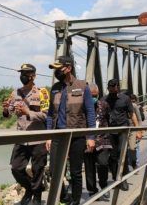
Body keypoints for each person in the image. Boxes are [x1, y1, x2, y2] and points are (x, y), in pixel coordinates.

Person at [46, 56, 96, 205]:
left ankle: (75, 201)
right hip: (57, 135)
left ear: (68, 68)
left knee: (75, 172)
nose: (56, 72)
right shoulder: (55, 88)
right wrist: (48, 135)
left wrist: (90, 136)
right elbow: (50, 114)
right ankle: (63, 197)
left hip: (76, 134)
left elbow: (90, 113)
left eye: (58, 69)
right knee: (54, 171)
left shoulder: (82, 86)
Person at [2, 63, 50, 205]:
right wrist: (5, 109)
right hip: (21, 138)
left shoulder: (42, 92)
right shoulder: (15, 92)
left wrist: (28, 112)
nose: (22, 76)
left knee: (37, 170)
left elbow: (46, 116)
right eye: (21, 73)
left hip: (37, 139)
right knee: (16, 168)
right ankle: (29, 189)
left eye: (26, 73)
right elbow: (8, 114)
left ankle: (36, 198)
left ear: (33, 76)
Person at [102, 79, 139, 191]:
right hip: (110, 132)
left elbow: (132, 114)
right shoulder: (104, 100)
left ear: (118, 87)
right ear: (108, 88)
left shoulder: (125, 99)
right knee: (113, 157)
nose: (112, 88)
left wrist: (138, 130)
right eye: (110, 86)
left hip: (123, 130)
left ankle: (123, 179)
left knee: (122, 154)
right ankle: (115, 178)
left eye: (114, 86)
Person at [84, 83, 112, 201]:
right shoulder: (82, 107)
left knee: (103, 163)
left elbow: (109, 120)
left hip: (103, 140)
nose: (93, 98)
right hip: (87, 140)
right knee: (89, 167)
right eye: (91, 96)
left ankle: (104, 185)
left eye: (95, 95)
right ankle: (92, 190)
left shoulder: (104, 105)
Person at [128, 94, 143, 170]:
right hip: (126, 129)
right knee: (128, 148)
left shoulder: (134, 106)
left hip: (134, 128)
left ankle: (136, 164)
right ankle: (128, 164)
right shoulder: (124, 106)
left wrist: (139, 131)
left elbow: (139, 119)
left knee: (135, 147)